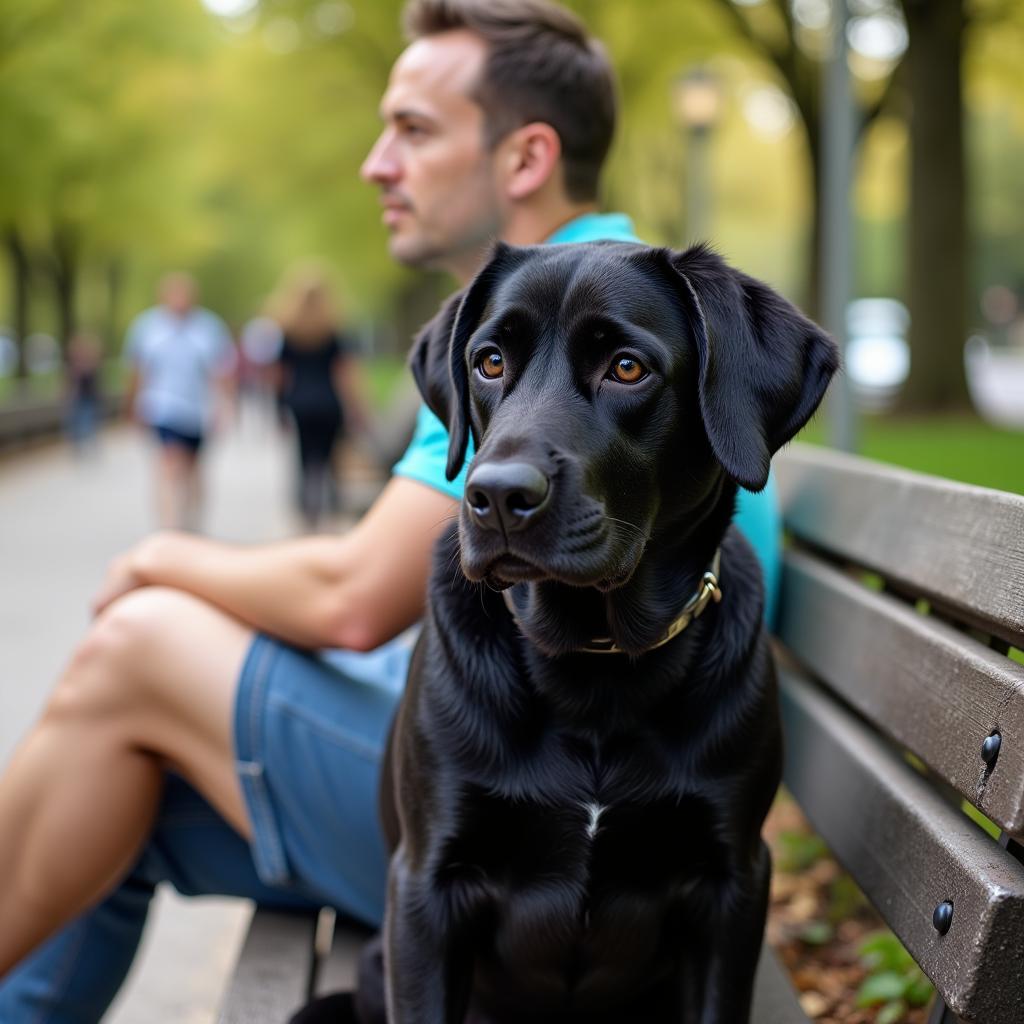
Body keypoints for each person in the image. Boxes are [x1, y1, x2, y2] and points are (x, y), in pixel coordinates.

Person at [0, 1, 782, 1019]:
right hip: (534, 756)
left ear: (525, 157)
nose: (376, 163)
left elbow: (349, 598)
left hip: (600, 781)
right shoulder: (525, 327)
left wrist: (161, 556)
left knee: (136, 648)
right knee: (115, 811)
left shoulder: (620, 308)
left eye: (412, 128)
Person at [123, 272, 236, 531]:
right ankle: (169, 527)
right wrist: (131, 407)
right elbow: (138, 371)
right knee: (169, 465)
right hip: (162, 408)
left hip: (198, 411)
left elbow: (221, 371)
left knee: (194, 469)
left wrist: (226, 406)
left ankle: (192, 524)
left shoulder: (208, 327)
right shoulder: (147, 327)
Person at [269, 269, 368, 528]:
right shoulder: (333, 332)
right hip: (328, 404)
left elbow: (280, 375)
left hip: (300, 403)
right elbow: (344, 374)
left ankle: (307, 515)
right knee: (331, 461)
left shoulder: (289, 332)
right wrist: (357, 409)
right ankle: (333, 514)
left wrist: (277, 407)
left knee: (304, 460)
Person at [63, 330, 104, 457]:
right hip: (78, 399)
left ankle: (90, 445)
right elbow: (68, 383)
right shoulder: (72, 367)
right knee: (76, 423)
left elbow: (96, 382)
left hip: (89, 399)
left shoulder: (90, 365)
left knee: (88, 423)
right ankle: (79, 447)